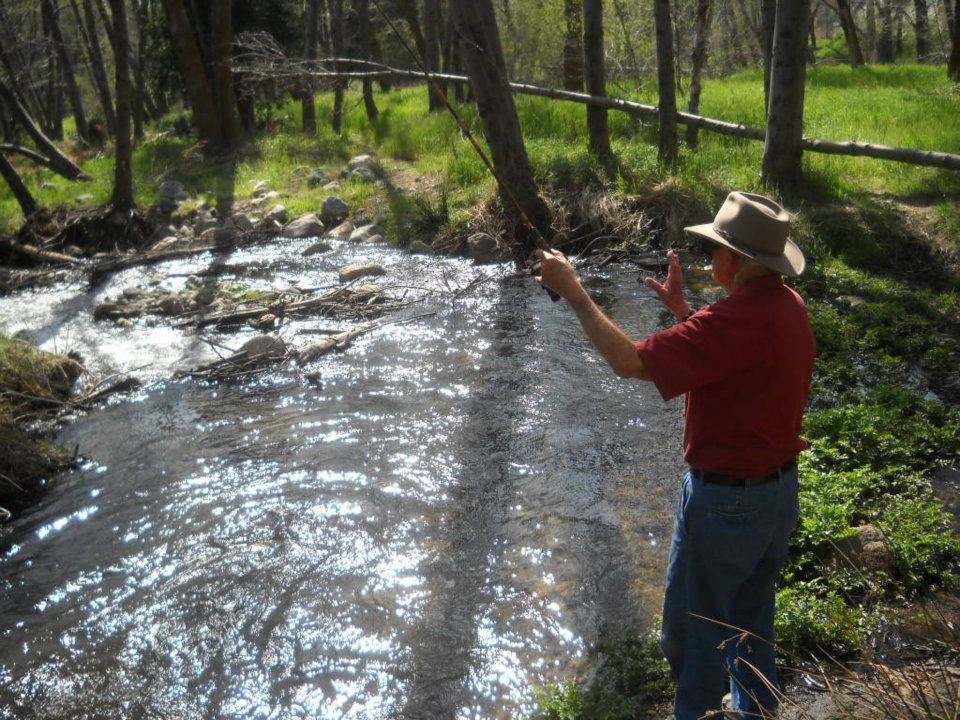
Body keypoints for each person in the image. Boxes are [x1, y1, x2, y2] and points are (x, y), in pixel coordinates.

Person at [534, 191, 815, 720]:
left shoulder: (730, 323)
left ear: (735, 261)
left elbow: (628, 362)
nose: (711, 259)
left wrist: (573, 291)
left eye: (715, 249)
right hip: (775, 496)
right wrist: (686, 314)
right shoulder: (787, 306)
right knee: (750, 623)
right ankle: (758, 710)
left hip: (727, 505)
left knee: (694, 640)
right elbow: (739, 363)